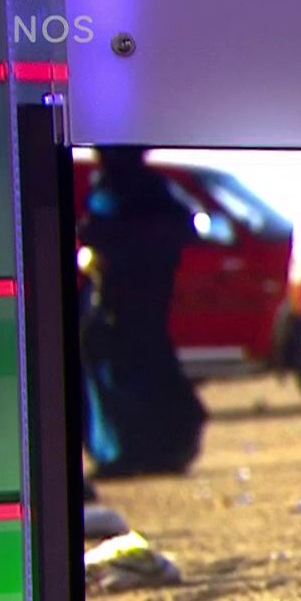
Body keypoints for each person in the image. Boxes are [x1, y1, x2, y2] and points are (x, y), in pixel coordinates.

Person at [79, 145, 207, 478]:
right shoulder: (131, 189)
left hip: (133, 303)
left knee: (130, 374)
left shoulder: (142, 191)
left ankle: (134, 452)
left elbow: (172, 234)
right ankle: (128, 450)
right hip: (124, 302)